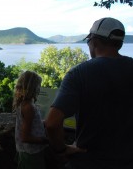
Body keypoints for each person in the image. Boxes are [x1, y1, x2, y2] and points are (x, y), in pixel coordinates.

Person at [45, 17, 133, 169]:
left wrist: (61, 150)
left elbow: (52, 123)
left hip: (87, 162)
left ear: (94, 41)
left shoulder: (79, 73)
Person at [13, 70, 49, 169]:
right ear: (33, 88)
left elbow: (29, 124)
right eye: (38, 86)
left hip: (27, 152)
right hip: (31, 153)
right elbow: (25, 137)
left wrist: (43, 123)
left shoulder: (23, 103)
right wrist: (45, 140)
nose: (39, 88)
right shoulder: (29, 107)